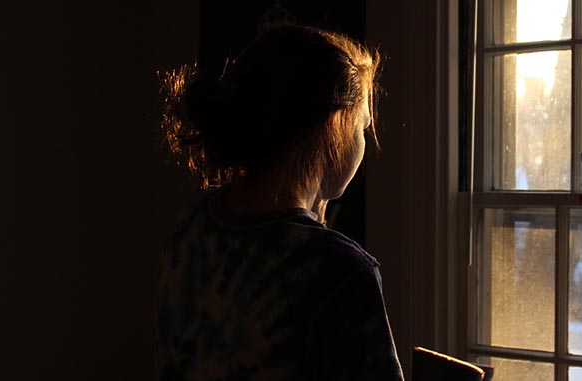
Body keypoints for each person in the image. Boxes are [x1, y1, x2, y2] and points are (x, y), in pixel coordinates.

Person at [154, 24, 403, 380]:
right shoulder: (340, 271)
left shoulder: (191, 227)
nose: (364, 144)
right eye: (362, 127)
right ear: (332, 128)